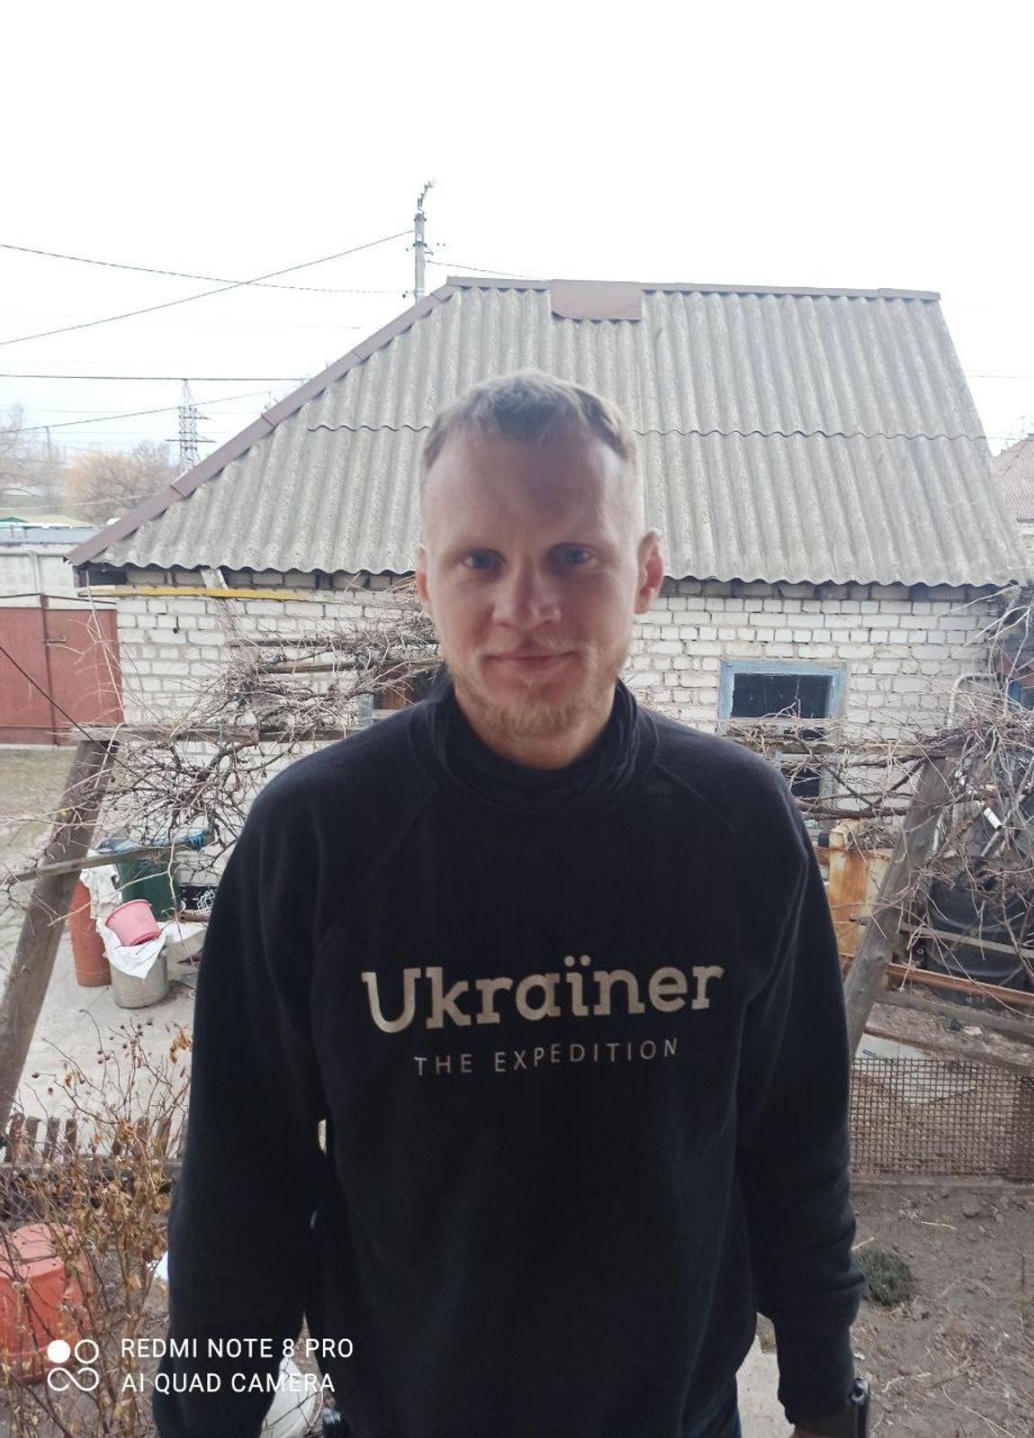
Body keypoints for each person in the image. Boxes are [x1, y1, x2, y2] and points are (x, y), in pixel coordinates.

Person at [154, 371, 866, 1438]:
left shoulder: (741, 826)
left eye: (574, 556)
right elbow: (240, 1186)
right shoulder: (316, 839)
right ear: (424, 582)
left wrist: (824, 1395)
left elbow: (796, 1143)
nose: (525, 608)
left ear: (646, 573)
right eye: (480, 560)